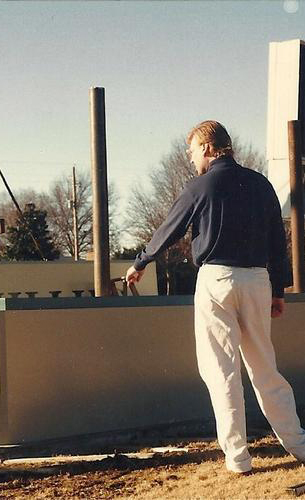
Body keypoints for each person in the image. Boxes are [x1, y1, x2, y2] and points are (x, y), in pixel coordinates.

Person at [126, 120, 305, 474]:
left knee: (221, 369)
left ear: (207, 147)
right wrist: (280, 289)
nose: (191, 159)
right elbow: (276, 241)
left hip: (216, 279)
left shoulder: (200, 186)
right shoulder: (261, 184)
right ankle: (299, 444)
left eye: (193, 151)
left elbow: (170, 228)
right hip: (257, 279)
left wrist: (142, 261)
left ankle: (238, 458)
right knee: (264, 367)